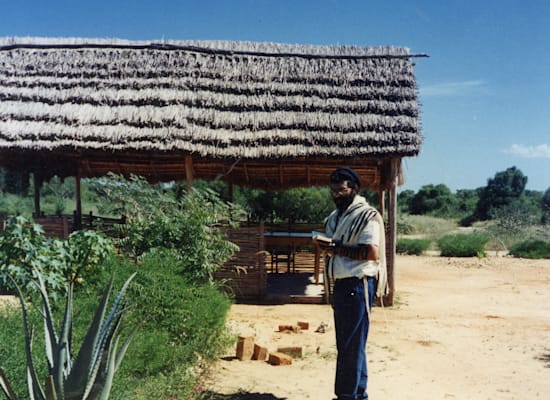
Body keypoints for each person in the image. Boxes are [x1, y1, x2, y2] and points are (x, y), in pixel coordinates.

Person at [316, 167, 388, 400]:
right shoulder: (337, 218)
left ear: (354, 189)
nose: (336, 194)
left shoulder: (366, 216)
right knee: (351, 345)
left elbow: (370, 252)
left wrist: (335, 248)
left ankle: (346, 396)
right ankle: (358, 394)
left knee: (349, 347)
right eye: (333, 190)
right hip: (343, 286)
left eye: (341, 190)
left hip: (357, 286)